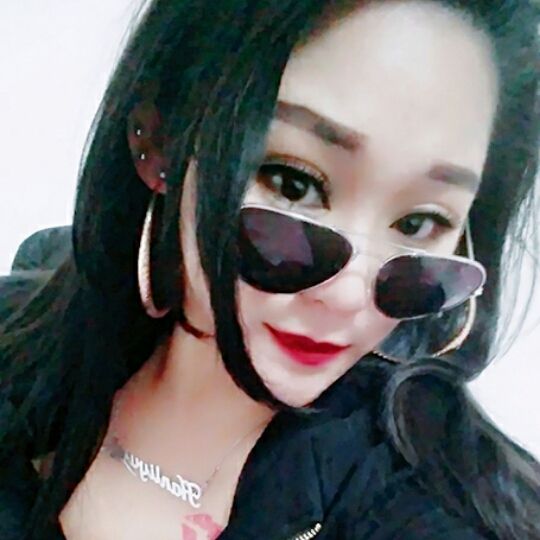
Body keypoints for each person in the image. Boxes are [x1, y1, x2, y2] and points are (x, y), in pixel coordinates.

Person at [1, 0, 539, 538]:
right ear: (161, 143)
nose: (348, 298)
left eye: (419, 223)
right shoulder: (21, 340)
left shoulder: (422, 505)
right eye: (293, 184)